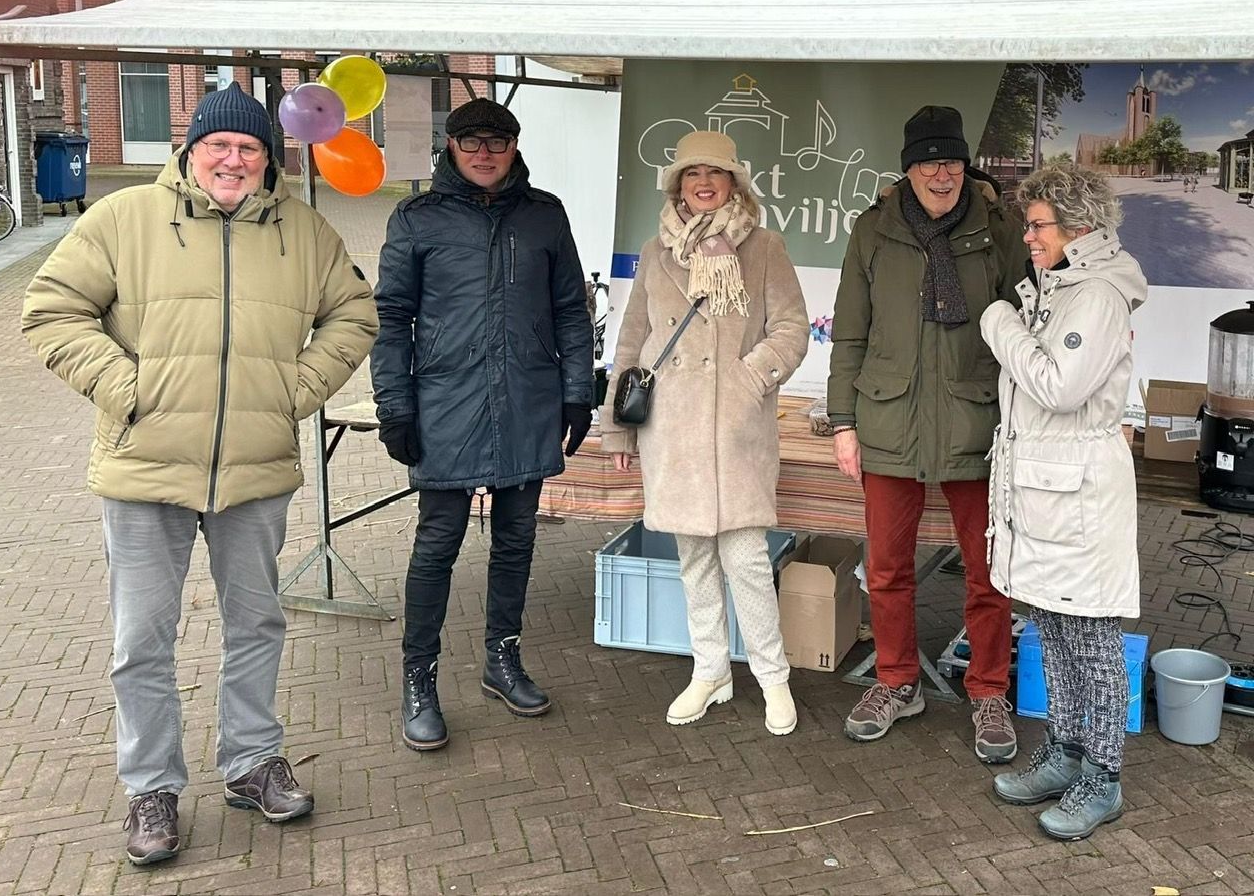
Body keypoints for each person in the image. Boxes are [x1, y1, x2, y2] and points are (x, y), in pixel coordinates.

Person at [21, 82, 378, 865]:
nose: (234, 159)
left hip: (254, 470)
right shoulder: (123, 220)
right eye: (219, 145)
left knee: (256, 623)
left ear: (267, 160)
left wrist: (297, 389)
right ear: (190, 150)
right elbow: (50, 310)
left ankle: (251, 762)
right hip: (144, 469)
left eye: (250, 148)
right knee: (142, 639)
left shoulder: (304, 231)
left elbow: (355, 311)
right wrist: (127, 389)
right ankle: (152, 786)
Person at [371, 98, 593, 752]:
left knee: (517, 540)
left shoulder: (544, 216)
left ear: (515, 146)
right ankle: (420, 681)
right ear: (452, 145)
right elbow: (391, 322)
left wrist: (577, 395)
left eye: (497, 141)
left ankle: (503, 661)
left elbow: (571, 314)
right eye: (472, 141)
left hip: (527, 401)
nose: (485, 152)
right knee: (437, 544)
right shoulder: (417, 219)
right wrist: (396, 407)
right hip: (448, 405)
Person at [826, 106, 1029, 762]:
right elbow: (850, 332)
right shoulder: (873, 231)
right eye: (928, 162)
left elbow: (1024, 333)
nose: (941, 174)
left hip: (977, 419)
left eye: (951, 162)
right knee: (886, 569)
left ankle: (989, 690)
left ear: (964, 167)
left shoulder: (999, 231)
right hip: (889, 417)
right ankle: (896, 681)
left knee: (988, 570)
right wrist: (843, 422)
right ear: (907, 168)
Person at [602, 131, 809, 735]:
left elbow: (792, 329)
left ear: (733, 184)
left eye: (714, 174)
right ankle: (711, 669)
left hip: (736, 428)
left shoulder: (763, 246)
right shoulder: (654, 250)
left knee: (745, 560)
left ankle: (774, 679)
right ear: (678, 186)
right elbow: (633, 343)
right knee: (693, 560)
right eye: (692, 174)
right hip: (673, 429)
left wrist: (749, 379)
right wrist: (618, 429)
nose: (703, 183)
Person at [983, 165, 1145, 840]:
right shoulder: (1060, 288)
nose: (1028, 236)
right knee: (1051, 627)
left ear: (1078, 225)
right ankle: (1064, 752)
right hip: (1047, 485)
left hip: (1080, 489)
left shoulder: (1098, 296)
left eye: (1037, 224)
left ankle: (1102, 778)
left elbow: (1059, 386)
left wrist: (999, 324)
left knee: (1093, 638)